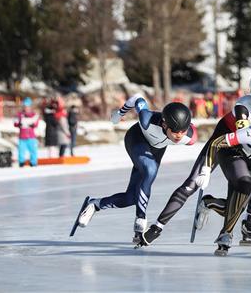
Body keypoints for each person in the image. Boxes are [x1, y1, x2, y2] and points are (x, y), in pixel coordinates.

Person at [136, 71, 251, 246]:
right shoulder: (243, 107)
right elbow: (242, 136)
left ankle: (243, 218)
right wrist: (206, 169)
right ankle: (157, 227)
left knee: (250, 189)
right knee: (192, 184)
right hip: (226, 139)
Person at [70, 96, 197, 243]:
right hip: (137, 139)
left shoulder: (190, 138)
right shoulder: (146, 120)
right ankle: (141, 219)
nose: (179, 136)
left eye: (183, 131)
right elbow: (138, 99)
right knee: (150, 170)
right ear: (164, 124)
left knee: (131, 198)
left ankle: (95, 204)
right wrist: (119, 114)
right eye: (175, 131)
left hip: (156, 150)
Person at [14, 97, 40, 167]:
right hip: (22, 136)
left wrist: (32, 124)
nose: (26, 108)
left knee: (33, 150)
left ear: (30, 107)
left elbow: (36, 123)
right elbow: (15, 123)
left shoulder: (33, 115)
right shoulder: (20, 114)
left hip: (31, 136)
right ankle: (21, 163)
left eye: (28, 106)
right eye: (25, 106)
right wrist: (19, 124)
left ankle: (33, 162)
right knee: (21, 151)